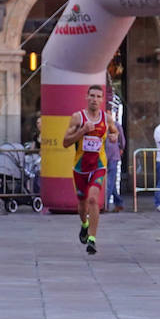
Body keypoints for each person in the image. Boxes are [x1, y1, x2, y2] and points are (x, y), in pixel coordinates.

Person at [62, 84, 118, 255]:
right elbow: (65, 142)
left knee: (94, 200)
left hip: (98, 165)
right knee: (82, 203)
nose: (94, 99)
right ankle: (84, 225)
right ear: (86, 97)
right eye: (92, 96)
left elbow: (114, 131)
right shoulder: (77, 118)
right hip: (80, 167)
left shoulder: (106, 118)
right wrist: (82, 132)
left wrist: (114, 136)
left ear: (102, 100)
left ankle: (92, 240)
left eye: (98, 96)